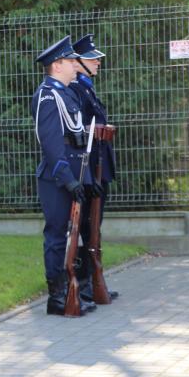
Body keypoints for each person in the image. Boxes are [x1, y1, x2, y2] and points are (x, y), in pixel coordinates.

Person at [31, 35, 97, 316]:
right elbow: (51, 142)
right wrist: (67, 178)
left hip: (75, 173)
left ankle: (75, 288)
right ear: (57, 65)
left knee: (74, 237)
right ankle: (57, 296)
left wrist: (83, 179)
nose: (75, 65)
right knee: (58, 234)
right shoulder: (47, 95)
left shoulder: (67, 93)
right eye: (70, 60)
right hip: (57, 177)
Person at [70, 34, 119, 302]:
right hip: (90, 170)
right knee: (88, 226)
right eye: (92, 58)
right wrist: (88, 176)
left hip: (100, 168)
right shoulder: (77, 90)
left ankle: (94, 282)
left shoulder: (86, 87)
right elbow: (82, 138)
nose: (98, 62)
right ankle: (86, 285)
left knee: (95, 226)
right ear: (78, 62)